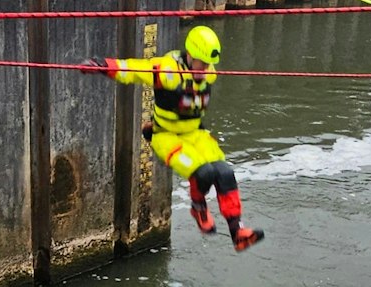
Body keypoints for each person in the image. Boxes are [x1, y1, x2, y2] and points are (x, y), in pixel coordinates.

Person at [83, 25, 265, 252]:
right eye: (200, 62)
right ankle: (198, 207)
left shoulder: (209, 72)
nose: (204, 69)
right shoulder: (168, 71)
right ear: (189, 55)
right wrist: (103, 66)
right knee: (204, 173)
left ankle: (237, 231)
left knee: (225, 173)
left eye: (208, 64)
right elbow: (134, 69)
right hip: (167, 137)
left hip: (195, 134)